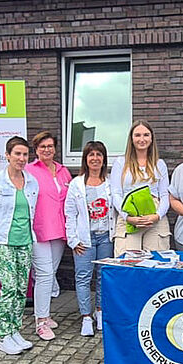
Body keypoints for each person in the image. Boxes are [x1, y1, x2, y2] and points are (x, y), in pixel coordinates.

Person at [0, 137, 39, 355]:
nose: (21, 159)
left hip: (25, 242)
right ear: (7, 155)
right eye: (17, 154)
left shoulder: (32, 182)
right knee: (9, 288)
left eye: (25, 155)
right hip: (2, 243)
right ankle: (4, 336)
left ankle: (16, 331)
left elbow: (30, 214)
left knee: (21, 290)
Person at [64, 141, 115, 336]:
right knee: (83, 277)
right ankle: (86, 316)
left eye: (99, 155)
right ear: (85, 159)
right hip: (84, 239)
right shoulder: (76, 184)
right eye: (91, 155)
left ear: (104, 159)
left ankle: (99, 312)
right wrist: (73, 240)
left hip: (105, 238)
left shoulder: (110, 183)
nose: (95, 158)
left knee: (103, 277)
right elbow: (69, 214)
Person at [25, 131, 72, 341]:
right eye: (43, 146)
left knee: (49, 273)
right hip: (39, 230)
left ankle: (45, 312)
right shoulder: (29, 170)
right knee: (44, 275)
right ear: (36, 149)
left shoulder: (63, 171)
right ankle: (41, 321)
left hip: (59, 230)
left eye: (50, 146)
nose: (47, 150)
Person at [110, 120, 170, 257]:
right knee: (127, 265)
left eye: (146, 135)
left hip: (155, 219)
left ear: (151, 138)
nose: (142, 139)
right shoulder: (120, 163)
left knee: (156, 264)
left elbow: (165, 195)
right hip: (129, 218)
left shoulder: (159, 164)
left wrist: (157, 216)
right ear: (131, 138)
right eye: (137, 135)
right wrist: (128, 217)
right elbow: (116, 193)